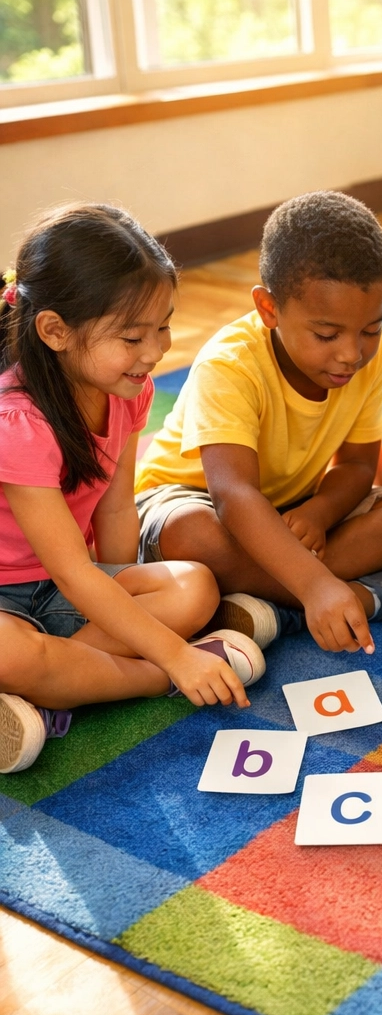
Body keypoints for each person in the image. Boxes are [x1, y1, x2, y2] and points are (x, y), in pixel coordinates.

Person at [0, 204, 263, 774]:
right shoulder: (17, 423)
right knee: (10, 652)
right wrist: (171, 655)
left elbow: (117, 506)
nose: (155, 351)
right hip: (12, 599)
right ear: (54, 331)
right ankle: (151, 681)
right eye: (131, 336)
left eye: (163, 325)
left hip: (67, 588)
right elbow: (72, 569)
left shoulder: (127, 389)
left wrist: (126, 588)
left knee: (194, 585)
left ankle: (58, 688)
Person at [135, 191, 382, 657]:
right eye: (327, 334)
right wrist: (312, 585)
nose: (352, 353)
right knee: (192, 532)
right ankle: (344, 598)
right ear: (269, 309)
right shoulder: (230, 365)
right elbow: (234, 495)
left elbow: (358, 466)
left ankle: (266, 605)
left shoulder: (378, 349)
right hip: (194, 501)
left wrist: (322, 512)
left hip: (293, 508)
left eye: (369, 328)